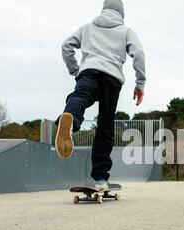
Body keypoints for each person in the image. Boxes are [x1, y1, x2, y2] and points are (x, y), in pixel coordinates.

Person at [55, 0, 146, 191]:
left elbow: (66, 46)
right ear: (121, 13)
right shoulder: (126, 31)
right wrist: (140, 83)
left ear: (103, 10)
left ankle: (70, 121)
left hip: (88, 71)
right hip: (112, 78)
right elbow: (138, 53)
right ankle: (100, 179)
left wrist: (75, 71)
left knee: (79, 97)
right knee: (105, 125)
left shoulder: (87, 28)